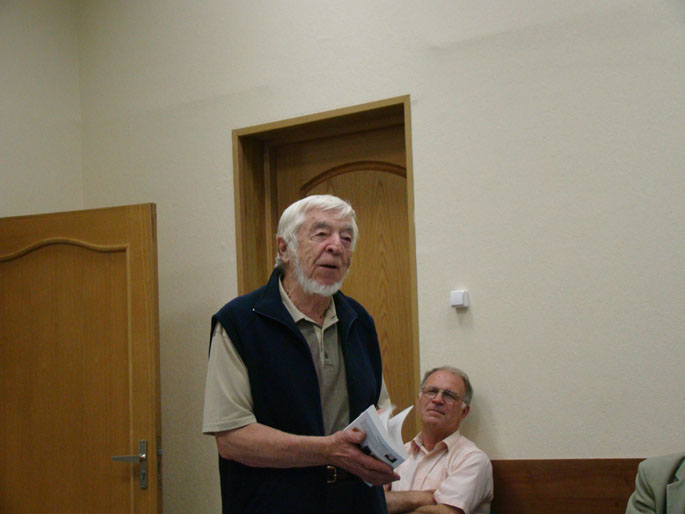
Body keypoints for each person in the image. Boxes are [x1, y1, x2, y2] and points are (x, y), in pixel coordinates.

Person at [202, 194, 397, 514]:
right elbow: (232, 439)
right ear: (284, 249)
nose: (336, 246)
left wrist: (384, 451)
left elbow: (378, 408)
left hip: (358, 503)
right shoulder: (240, 322)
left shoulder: (359, 321)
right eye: (321, 234)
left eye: (346, 238)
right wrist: (328, 450)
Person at [385, 366, 493, 514]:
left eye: (449, 395)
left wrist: (394, 502)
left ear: (464, 412)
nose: (437, 400)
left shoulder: (472, 459)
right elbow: (372, 503)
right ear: (418, 402)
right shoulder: (398, 453)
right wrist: (420, 498)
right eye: (431, 391)